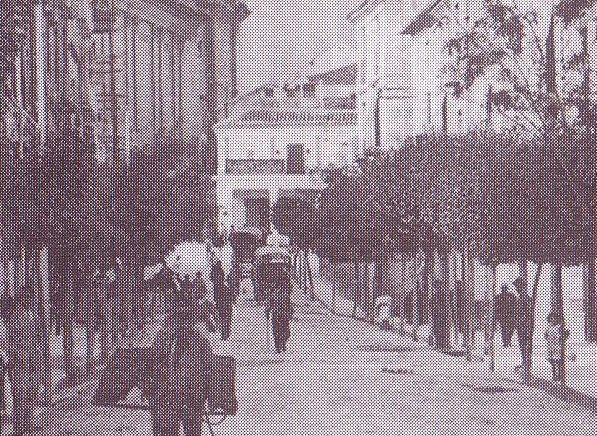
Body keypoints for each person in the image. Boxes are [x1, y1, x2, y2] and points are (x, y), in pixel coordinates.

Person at [146, 278, 212, 436]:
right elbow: (210, 369)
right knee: (190, 428)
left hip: (169, 399)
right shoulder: (199, 338)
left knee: (168, 427)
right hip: (185, 398)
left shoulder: (164, 335)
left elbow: (150, 367)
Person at [1, 291, 41, 435]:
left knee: (24, 396)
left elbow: (35, 342)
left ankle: (22, 427)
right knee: (24, 396)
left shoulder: (26, 318)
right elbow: (10, 344)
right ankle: (22, 427)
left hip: (25, 363)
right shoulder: (21, 319)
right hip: (23, 363)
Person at [267, 265, 293, 353]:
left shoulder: (276, 294)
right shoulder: (283, 295)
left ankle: (279, 344)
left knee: (278, 330)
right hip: (282, 314)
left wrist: (267, 312)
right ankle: (281, 344)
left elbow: (269, 304)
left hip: (278, 314)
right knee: (282, 329)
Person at [211, 259, 235, 340]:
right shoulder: (225, 287)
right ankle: (226, 333)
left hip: (221, 304)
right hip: (226, 305)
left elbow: (216, 297)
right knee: (226, 319)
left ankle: (224, 333)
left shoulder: (217, 287)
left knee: (222, 319)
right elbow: (232, 296)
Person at [513, 277, 532, 370]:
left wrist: (522, 322)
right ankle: (525, 362)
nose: (516, 289)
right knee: (522, 345)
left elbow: (527, 313)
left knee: (525, 345)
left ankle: (526, 364)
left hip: (524, 326)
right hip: (521, 326)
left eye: (517, 286)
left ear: (522, 286)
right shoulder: (520, 298)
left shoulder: (525, 298)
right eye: (516, 287)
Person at [545, 312, 569, 384]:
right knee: (551, 360)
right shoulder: (549, 327)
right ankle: (554, 375)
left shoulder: (559, 327)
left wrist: (563, 338)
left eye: (554, 318)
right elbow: (546, 335)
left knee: (557, 361)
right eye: (551, 319)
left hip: (558, 346)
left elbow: (567, 333)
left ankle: (558, 376)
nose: (553, 320)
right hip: (550, 346)